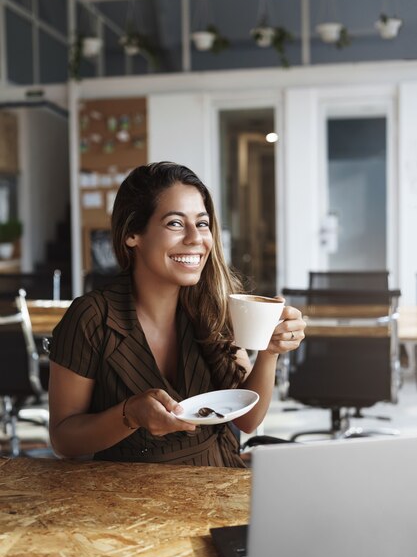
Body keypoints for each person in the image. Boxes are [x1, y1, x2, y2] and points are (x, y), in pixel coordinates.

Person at [48, 162, 306, 467]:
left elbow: (248, 419)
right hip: (127, 498)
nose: (195, 238)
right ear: (133, 234)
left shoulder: (215, 305)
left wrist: (270, 353)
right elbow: (64, 441)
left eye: (202, 223)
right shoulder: (91, 317)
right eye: (174, 223)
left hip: (218, 485)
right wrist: (128, 415)